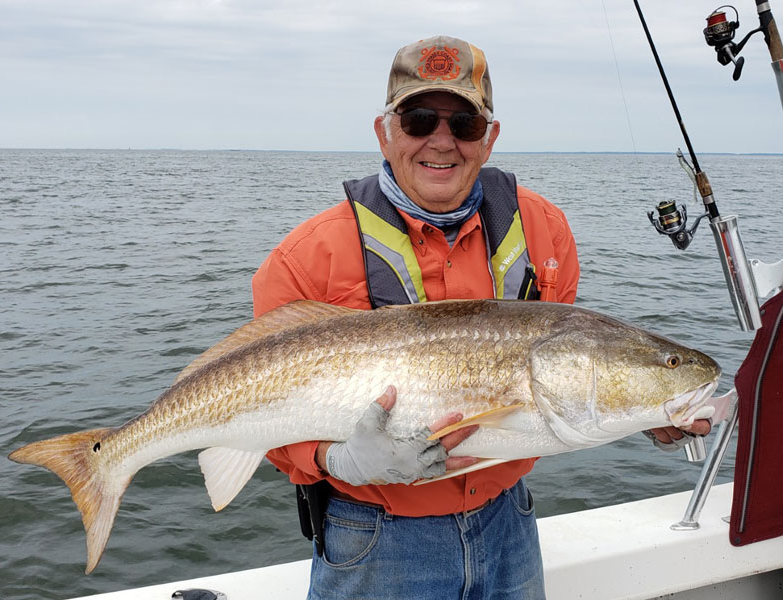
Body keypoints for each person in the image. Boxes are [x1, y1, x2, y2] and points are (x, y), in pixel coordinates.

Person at [251, 34, 710, 600]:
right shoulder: (306, 256)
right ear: (384, 132)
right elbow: (253, 407)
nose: (441, 142)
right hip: (373, 541)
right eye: (419, 119)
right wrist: (334, 457)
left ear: (489, 139)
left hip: (509, 524)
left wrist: (645, 409)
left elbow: (570, 374)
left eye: (464, 124)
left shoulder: (545, 230)